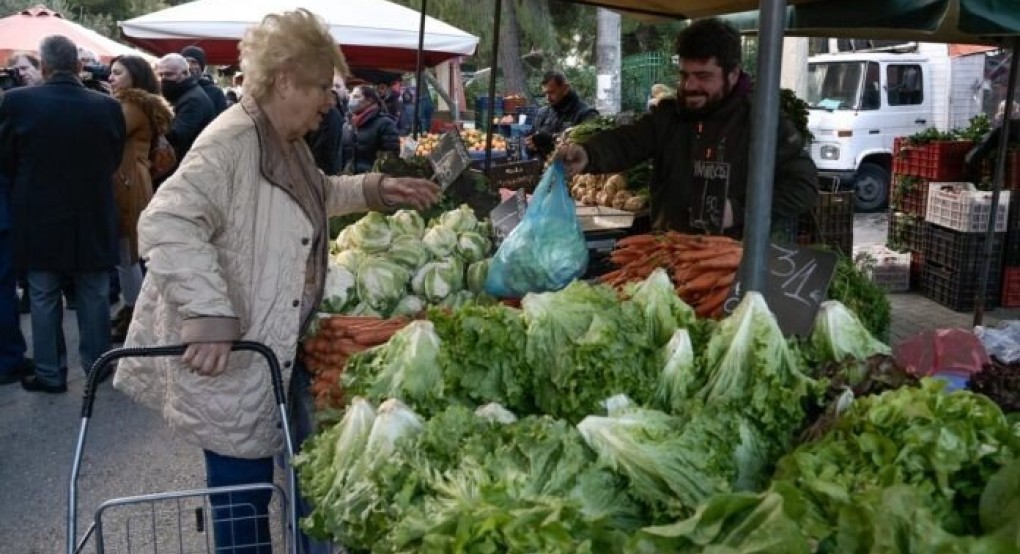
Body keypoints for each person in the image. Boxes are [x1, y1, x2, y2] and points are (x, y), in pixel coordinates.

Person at [112, 9, 439, 553]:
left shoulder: (282, 140)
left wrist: (377, 190)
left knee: (252, 490)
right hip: (232, 357)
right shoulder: (234, 140)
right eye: (319, 88)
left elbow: (317, 192)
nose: (327, 102)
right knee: (241, 500)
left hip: (260, 347)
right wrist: (208, 314)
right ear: (284, 79)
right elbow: (165, 221)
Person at [558, 18, 817, 238]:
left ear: (733, 75)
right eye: (684, 75)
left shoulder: (763, 123)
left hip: (731, 266)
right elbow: (627, 141)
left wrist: (739, 211)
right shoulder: (669, 116)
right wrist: (588, 153)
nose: (690, 86)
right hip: (670, 255)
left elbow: (803, 185)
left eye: (703, 76)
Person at [0, 35, 125, 394]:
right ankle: (97, 365)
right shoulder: (107, 106)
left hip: (38, 211)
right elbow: (112, 157)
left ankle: (50, 372)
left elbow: (6, 157)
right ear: (78, 65)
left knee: (42, 293)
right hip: (92, 210)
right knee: (94, 291)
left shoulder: (17, 102)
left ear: (43, 66)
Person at [107, 55, 174, 343]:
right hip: (134, 181)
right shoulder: (141, 103)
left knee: (128, 255)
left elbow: (108, 135)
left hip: (127, 184)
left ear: (133, 76)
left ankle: (137, 316)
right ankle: (135, 312)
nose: (111, 78)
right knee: (130, 255)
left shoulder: (131, 105)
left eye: (117, 73)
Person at [156, 53, 215, 167]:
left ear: (185, 73)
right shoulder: (180, 94)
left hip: (188, 165)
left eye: (169, 74)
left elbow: (176, 135)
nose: (163, 79)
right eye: (160, 74)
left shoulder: (193, 100)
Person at [525, 70, 599, 159]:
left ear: (565, 88)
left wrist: (552, 141)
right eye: (545, 93)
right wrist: (531, 145)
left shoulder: (586, 114)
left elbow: (591, 150)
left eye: (551, 92)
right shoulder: (543, 113)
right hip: (543, 169)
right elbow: (529, 145)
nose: (547, 98)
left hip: (571, 170)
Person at [340, 84, 401, 174]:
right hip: (349, 182)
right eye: (351, 96)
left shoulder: (385, 124)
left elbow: (391, 159)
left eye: (356, 96)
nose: (351, 99)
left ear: (369, 101)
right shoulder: (347, 125)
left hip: (373, 181)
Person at [180, 45, 228, 115]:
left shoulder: (215, 92)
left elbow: (223, 119)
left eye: (194, 62)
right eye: (186, 61)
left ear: (201, 67)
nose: (189, 66)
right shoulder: (175, 89)